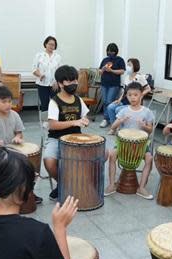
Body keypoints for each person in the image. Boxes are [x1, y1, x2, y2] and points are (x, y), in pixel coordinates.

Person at [44, 65, 90, 201]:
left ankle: (82, 183)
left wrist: (85, 121)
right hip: (56, 139)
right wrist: (74, 122)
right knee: (49, 161)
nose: (74, 84)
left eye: (75, 80)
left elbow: (85, 117)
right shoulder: (54, 102)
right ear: (60, 83)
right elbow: (52, 125)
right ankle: (63, 184)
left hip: (76, 138)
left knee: (100, 154)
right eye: (69, 81)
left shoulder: (78, 100)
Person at [104, 82, 154, 200]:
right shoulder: (123, 110)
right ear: (126, 96)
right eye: (130, 95)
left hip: (141, 144)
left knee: (149, 158)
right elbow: (113, 127)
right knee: (112, 155)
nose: (132, 97)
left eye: (135, 95)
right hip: (123, 143)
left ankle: (141, 187)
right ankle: (111, 185)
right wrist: (121, 121)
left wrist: (144, 126)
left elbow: (150, 130)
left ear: (141, 95)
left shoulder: (147, 112)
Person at [105, 58, 151, 127]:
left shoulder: (140, 77)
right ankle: (114, 127)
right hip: (124, 100)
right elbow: (124, 91)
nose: (127, 67)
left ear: (135, 66)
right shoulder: (126, 77)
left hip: (133, 102)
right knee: (110, 107)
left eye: (129, 65)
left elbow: (148, 89)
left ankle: (121, 129)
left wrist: (140, 95)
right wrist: (119, 99)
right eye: (127, 65)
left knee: (118, 109)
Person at [98, 43, 126, 128]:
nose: (110, 53)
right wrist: (102, 69)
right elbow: (99, 71)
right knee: (105, 101)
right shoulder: (105, 60)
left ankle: (108, 119)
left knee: (109, 101)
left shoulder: (119, 60)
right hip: (104, 84)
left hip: (114, 84)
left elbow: (122, 71)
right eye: (109, 51)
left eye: (112, 51)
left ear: (115, 51)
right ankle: (106, 119)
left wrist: (111, 71)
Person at [33, 36, 62, 112]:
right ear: (45, 44)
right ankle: (45, 123)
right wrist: (40, 75)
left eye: (53, 45)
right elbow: (34, 69)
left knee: (55, 104)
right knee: (45, 104)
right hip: (42, 84)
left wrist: (57, 82)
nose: (51, 46)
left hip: (54, 85)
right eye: (50, 44)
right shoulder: (39, 55)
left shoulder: (58, 57)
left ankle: (55, 121)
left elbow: (60, 71)